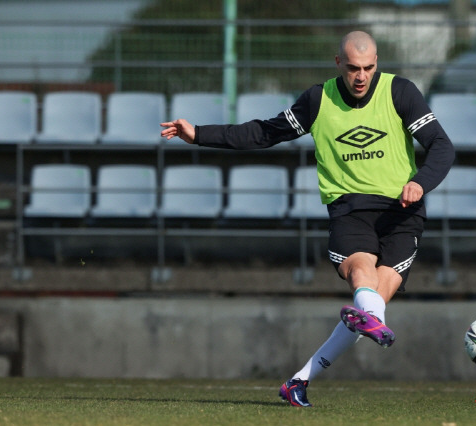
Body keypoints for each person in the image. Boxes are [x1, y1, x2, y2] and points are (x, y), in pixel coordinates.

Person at [161, 30, 455, 407]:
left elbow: (441, 146)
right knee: (362, 273)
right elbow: (264, 133)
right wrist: (199, 133)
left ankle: (299, 381)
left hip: (403, 212)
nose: (361, 76)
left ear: (377, 63)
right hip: (350, 209)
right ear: (338, 64)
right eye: (352, 68)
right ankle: (365, 321)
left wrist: (420, 182)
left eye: (367, 68)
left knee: (371, 308)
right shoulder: (319, 100)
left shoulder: (401, 92)